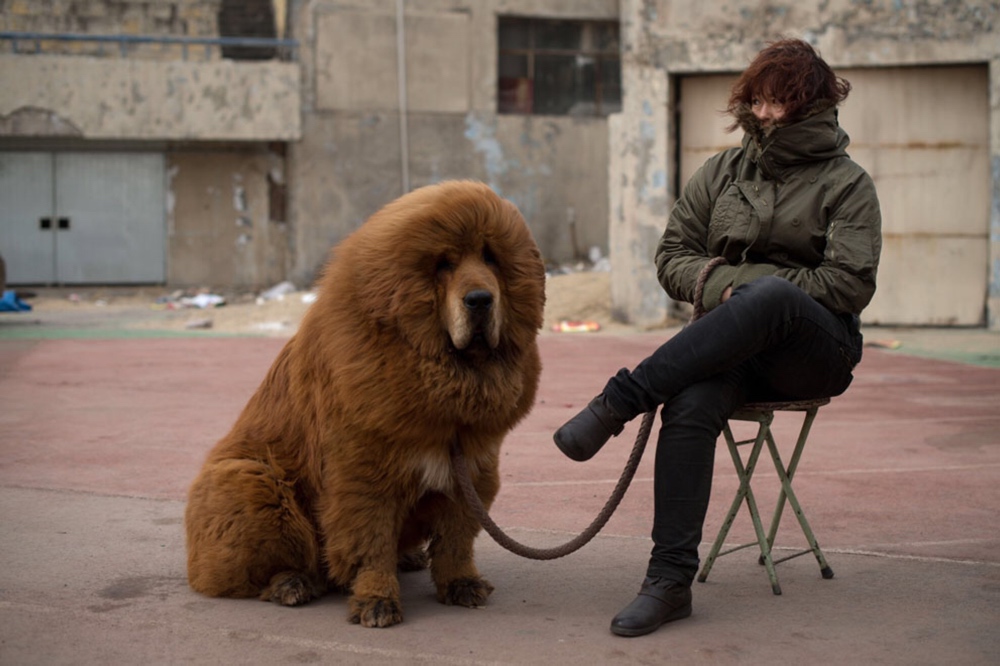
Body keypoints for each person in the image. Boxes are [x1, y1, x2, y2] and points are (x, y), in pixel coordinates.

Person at [553, 38, 882, 638]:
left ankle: (620, 401)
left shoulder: (847, 183)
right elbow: (671, 257)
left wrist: (751, 288)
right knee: (690, 401)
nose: (762, 114)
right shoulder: (722, 173)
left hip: (815, 352)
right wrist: (730, 291)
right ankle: (669, 582)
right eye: (755, 99)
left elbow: (848, 284)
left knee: (775, 298)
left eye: (777, 102)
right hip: (730, 348)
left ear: (811, 104)